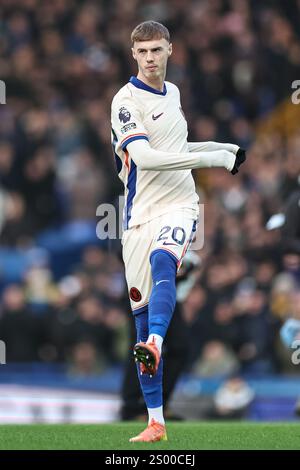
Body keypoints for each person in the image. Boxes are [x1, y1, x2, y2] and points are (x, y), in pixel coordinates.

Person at [110, 20, 246, 443]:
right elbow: (148, 159)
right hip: (137, 218)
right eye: (143, 51)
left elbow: (179, 153)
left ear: (170, 49)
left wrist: (220, 149)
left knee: (164, 259)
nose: (150, 58)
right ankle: (156, 422)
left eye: (157, 50)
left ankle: (156, 340)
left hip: (180, 205)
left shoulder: (174, 94)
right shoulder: (125, 101)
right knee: (139, 319)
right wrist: (216, 159)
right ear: (134, 55)